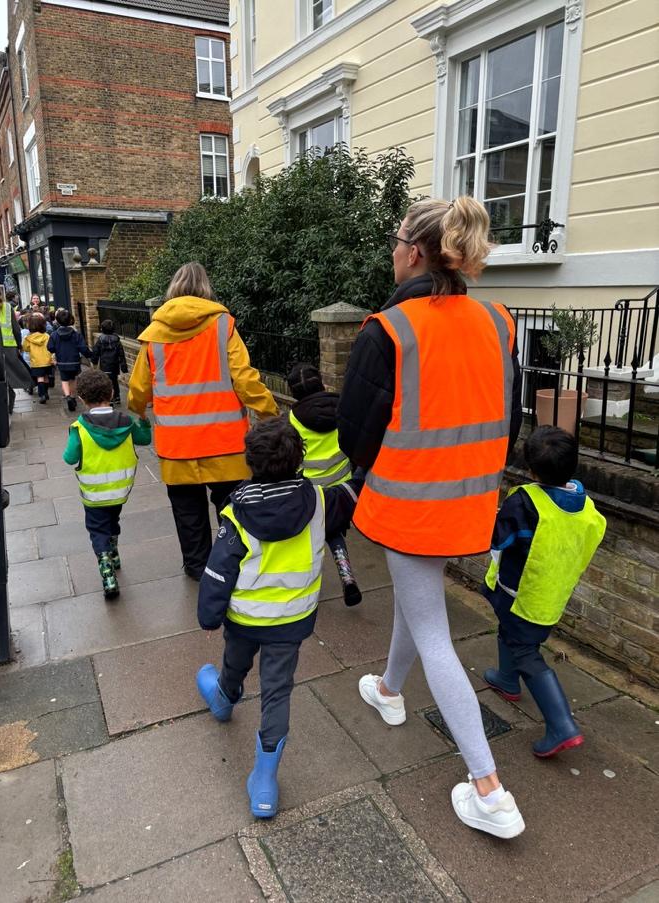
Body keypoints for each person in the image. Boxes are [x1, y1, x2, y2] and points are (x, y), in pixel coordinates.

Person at [338, 196, 526, 840]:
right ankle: (388, 690)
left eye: (396, 241)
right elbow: (513, 419)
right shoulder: (499, 322)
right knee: (418, 608)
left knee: (434, 631)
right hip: (472, 498)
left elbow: (353, 436)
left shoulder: (388, 328)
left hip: (410, 504)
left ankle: (489, 789)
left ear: (415, 251)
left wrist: (370, 472)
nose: (393, 251)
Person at [196, 416, 363, 818]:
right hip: (291, 621)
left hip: (245, 619)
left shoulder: (236, 514)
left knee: (234, 663)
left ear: (249, 462)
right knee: (276, 692)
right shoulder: (322, 501)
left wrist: (209, 615)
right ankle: (265, 781)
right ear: (298, 461)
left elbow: (219, 572)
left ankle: (223, 700)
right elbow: (354, 491)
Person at [127, 261, 278, 580]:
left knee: (187, 512)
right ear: (206, 289)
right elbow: (244, 379)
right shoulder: (223, 326)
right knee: (231, 511)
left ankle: (198, 568)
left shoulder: (154, 335)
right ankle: (232, 564)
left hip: (177, 447)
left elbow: (139, 387)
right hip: (225, 443)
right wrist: (269, 412)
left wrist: (138, 409)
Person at [482, 425, 606, 757]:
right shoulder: (587, 507)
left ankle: (561, 725)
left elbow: (498, 541)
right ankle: (507, 679)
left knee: (525, 651)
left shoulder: (524, 502)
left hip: (518, 594)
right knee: (516, 636)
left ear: (531, 469)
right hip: (553, 596)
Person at [62, 368, 151, 598]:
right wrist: (143, 420)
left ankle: (107, 571)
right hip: (121, 492)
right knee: (113, 519)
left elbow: (69, 458)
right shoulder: (126, 422)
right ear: (111, 392)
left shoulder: (79, 428)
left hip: (94, 496)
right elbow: (144, 439)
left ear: (81, 399)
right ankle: (114, 553)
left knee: (97, 529)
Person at [287, 362, 362, 606]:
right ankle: (346, 575)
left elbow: (293, 456)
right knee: (335, 531)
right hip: (343, 488)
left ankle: (307, 584)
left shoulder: (293, 418)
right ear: (321, 383)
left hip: (310, 491)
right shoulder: (343, 407)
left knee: (311, 535)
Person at [0, 280, 32, 415]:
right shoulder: (8, 307)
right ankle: (8, 404)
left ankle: (3, 405)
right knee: (8, 376)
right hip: (9, 347)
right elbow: (16, 329)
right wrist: (19, 345)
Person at [48, 307, 92, 412]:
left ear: (57, 321)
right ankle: (72, 397)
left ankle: (67, 396)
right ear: (70, 320)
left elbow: (50, 348)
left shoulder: (54, 335)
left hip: (62, 362)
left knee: (64, 380)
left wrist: (56, 350)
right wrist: (90, 355)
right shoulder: (76, 335)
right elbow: (83, 348)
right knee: (73, 379)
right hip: (75, 361)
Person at [92, 319, 128, 404]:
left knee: (106, 382)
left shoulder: (100, 340)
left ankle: (110, 398)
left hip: (104, 365)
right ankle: (117, 396)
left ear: (102, 329)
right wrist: (124, 367)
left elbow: (96, 352)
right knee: (114, 380)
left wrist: (94, 361)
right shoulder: (117, 341)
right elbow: (121, 354)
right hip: (114, 365)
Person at [22, 313, 53, 404]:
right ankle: (46, 393)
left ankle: (42, 395)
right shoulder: (47, 336)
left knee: (40, 378)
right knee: (46, 377)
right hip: (47, 361)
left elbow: (25, 348)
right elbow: (50, 347)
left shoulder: (28, 338)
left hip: (36, 362)